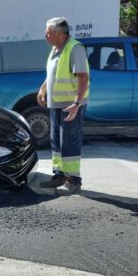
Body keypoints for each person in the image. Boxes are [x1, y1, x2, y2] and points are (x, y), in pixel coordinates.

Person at [36, 17, 90, 195]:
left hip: (70, 105)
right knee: (56, 141)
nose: (45, 35)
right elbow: (52, 73)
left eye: (48, 32)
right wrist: (43, 89)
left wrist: (76, 104)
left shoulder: (75, 48)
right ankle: (59, 175)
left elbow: (83, 77)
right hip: (56, 104)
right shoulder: (55, 49)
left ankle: (74, 179)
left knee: (70, 141)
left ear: (59, 33)